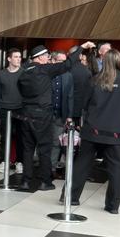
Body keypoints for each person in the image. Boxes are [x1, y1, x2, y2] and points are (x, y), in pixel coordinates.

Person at [68, 49, 120, 214]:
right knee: (116, 169)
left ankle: (70, 197)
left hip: (92, 130)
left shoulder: (94, 80)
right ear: (119, 62)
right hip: (115, 133)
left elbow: (85, 103)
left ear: (104, 62)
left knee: (82, 165)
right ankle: (113, 207)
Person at [17, 44, 84, 191]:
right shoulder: (44, 69)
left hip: (25, 114)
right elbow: (67, 64)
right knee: (44, 148)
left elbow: (20, 89)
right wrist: (81, 48)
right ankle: (44, 181)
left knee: (28, 149)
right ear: (40, 57)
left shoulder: (23, 71)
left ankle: (25, 181)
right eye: (47, 56)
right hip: (42, 114)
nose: (48, 58)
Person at [0, 48, 24, 174]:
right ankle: (3, 162)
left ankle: (19, 162)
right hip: (5, 110)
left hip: (20, 110)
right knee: (5, 137)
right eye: (16, 57)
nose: (18, 59)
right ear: (9, 59)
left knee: (20, 137)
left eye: (19, 57)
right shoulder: (0, 74)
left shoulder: (24, 73)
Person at [49, 51, 74, 179]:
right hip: (45, 115)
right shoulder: (47, 73)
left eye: (65, 62)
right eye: (61, 61)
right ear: (53, 61)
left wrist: (69, 116)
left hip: (60, 115)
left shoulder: (68, 75)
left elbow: (70, 96)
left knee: (56, 143)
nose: (64, 64)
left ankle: (51, 168)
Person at [70, 45, 93, 125]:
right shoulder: (87, 71)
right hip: (81, 108)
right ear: (80, 56)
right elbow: (89, 92)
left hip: (64, 109)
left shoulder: (64, 69)